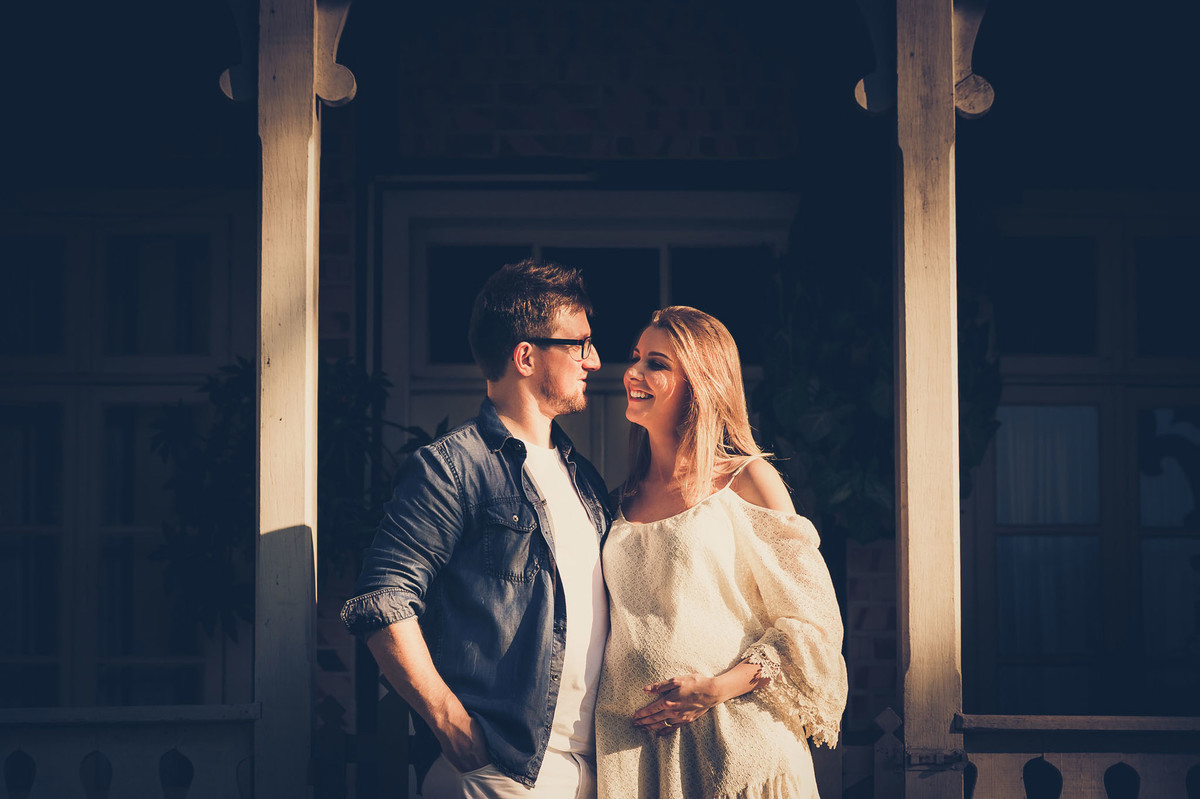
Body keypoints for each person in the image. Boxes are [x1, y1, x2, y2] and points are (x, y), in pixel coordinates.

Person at [341, 260, 612, 798]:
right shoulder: (452, 468)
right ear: (526, 355)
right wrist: (448, 721)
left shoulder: (584, 478)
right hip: (500, 774)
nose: (595, 361)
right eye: (579, 344)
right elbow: (382, 598)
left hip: (593, 771)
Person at [595, 306, 848, 799]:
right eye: (636, 358)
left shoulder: (747, 481)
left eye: (656, 363)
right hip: (635, 757)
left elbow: (812, 623)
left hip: (738, 750)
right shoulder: (616, 500)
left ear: (700, 382)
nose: (633, 373)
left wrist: (717, 688)